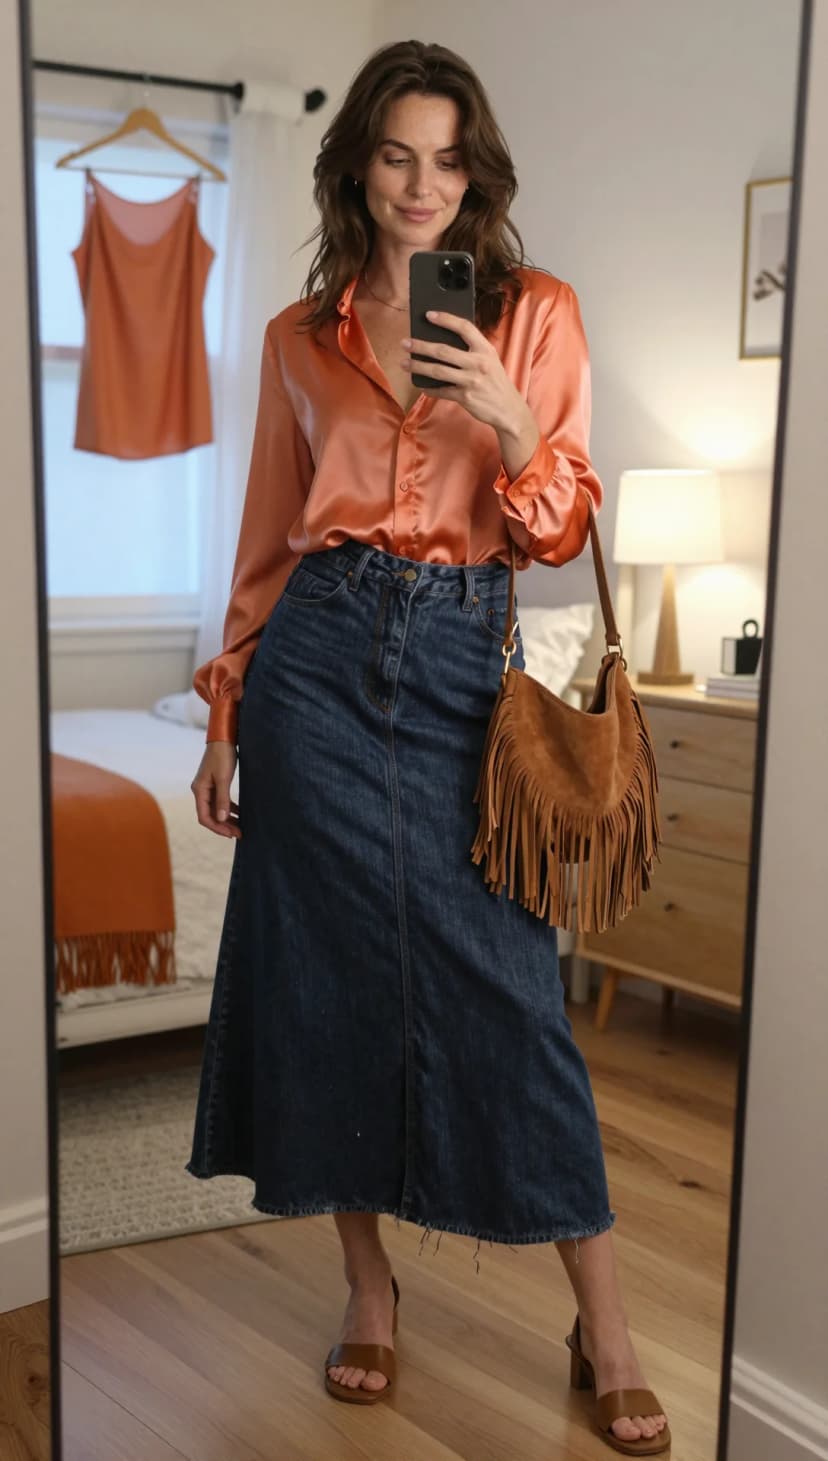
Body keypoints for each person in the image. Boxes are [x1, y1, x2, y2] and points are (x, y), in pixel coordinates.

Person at [185, 38, 670, 1453]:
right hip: (319, 663)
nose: (421, 183)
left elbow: (563, 527)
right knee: (326, 985)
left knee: (512, 993)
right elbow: (269, 546)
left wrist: (516, 424)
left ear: (479, 171)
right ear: (359, 168)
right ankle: (368, 1284)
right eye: (396, 154)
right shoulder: (300, 336)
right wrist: (224, 711)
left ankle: (609, 1321)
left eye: (448, 158)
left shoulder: (539, 316)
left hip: (465, 662)